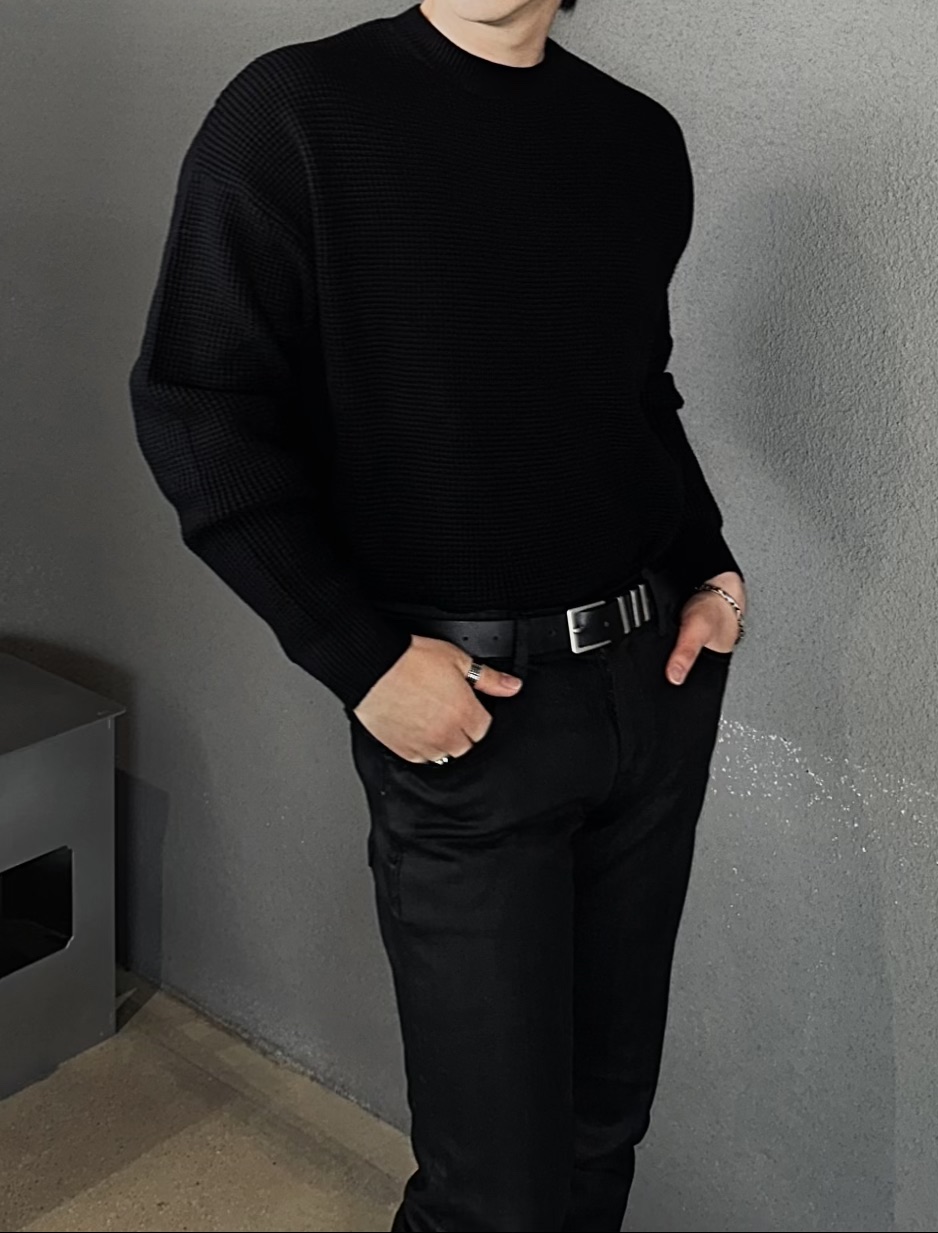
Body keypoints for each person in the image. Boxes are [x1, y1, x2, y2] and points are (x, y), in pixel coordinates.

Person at [128, 2, 748, 1229]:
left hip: (650, 698)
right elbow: (197, 408)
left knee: (601, 1128)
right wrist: (361, 663)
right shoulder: (294, 114)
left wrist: (709, 568)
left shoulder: (635, 139)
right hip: (468, 720)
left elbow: (630, 391)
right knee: (492, 1196)